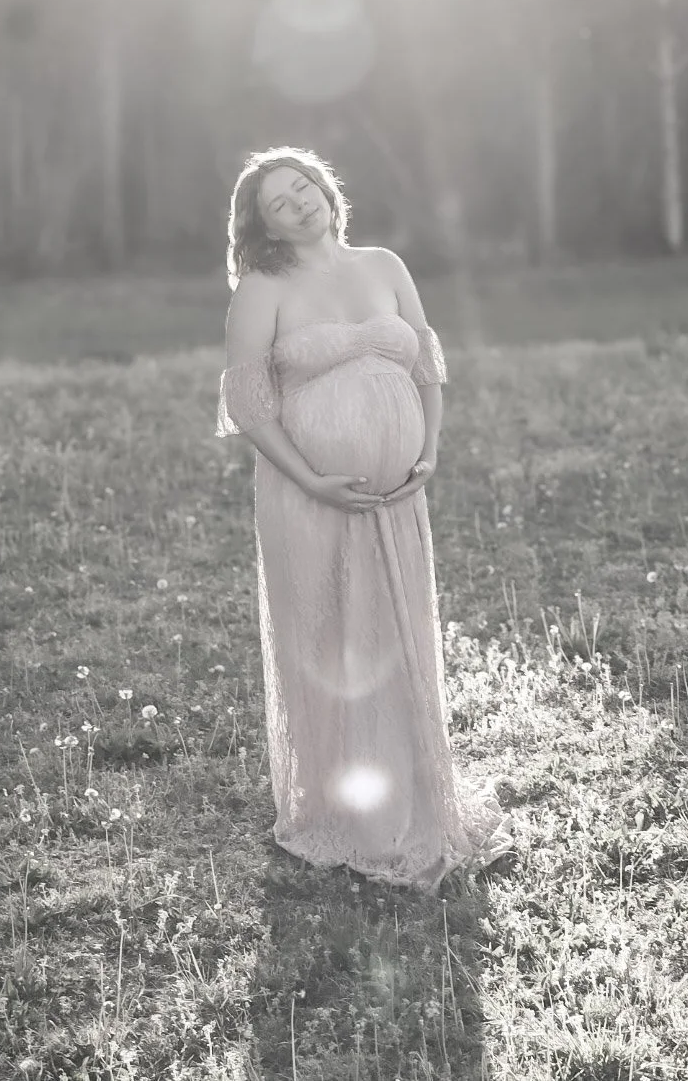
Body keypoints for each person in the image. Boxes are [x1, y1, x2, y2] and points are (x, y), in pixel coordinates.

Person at [216, 144, 513, 892]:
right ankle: (349, 813)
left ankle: (411, 803)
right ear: (263, 227)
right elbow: (249, 405)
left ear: (325, 189)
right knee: (330, 643)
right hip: (304, 496)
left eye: (305, 185)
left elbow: (427, 363)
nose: (300, 202)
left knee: (392, 633)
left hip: (397, 495)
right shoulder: (263, 287)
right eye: (279, 202)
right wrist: (313, 478)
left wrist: (430, 449)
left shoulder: (384, 264)